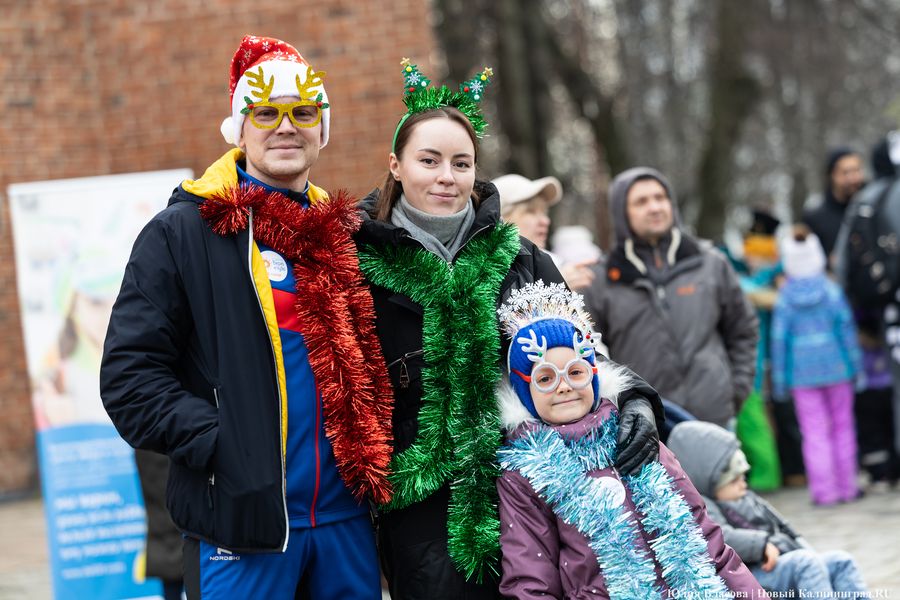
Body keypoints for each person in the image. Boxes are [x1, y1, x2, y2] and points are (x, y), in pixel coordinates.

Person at [354, 60, 664, 600]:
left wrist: (634, 398)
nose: (446, 176)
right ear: (396, 166)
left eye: (461, 163)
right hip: (423, 517)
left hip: (537, 496)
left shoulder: (521, 259)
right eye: (429, 160)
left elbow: (583, 355)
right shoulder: (356, 269)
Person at [100, 36, 393, 600]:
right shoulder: (181, 233)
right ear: (239, 127)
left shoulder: (348, 236)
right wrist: (224, 444)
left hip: (348, 525)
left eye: (303, 112)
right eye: (265, 113)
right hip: (240, 527)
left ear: (322, 128)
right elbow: (129, 378)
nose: (286, 127)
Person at [495, 282, 768, 599]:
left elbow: (706, 540)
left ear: (594, 374)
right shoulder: (525, 475)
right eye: (545, 378)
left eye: (576, 372)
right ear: (524, 390)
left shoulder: (635, 435)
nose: (564, 386)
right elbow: (530, 577)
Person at [582, 167, 759, 427]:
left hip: (715, 415)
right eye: (641, 202)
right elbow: (589, 353)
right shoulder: (601, 279)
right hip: (649, 427)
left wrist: (737, 390)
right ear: (621, 213)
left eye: (660, 197)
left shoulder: (710, 262)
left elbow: (743, 330)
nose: (655, 207)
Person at [668, 420, 870, 597]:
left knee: (841, 560)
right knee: (805, 562)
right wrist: (761, 544)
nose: (743, 485)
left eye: (743, 478)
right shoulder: (701, 505)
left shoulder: (744, 497)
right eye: (735, 480)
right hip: (746, 573)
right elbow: (717, 537)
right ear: (708, 480)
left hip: (775, 562)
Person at [771, 225, 863, 505]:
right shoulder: (832, 291)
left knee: (813, 433)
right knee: (843, 427)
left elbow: (779, 341)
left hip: (801, 374)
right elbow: (847, 331)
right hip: (838, 369)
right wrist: (857, 368)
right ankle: (848, 487)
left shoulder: (785, 298)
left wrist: (779, 381)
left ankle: (824, 492)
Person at [493, 173, 597, 290]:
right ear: (501, 219)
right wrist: (554, 287)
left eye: (544, 212)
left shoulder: (558, 265)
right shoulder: (484, 275)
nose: (545, 221)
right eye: (531, 211)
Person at [802, 147, 866, 266]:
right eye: (845, 172)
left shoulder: (874, 210)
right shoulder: (814, 220)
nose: (852, 179)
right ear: (833, 175)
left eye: (856, 170)